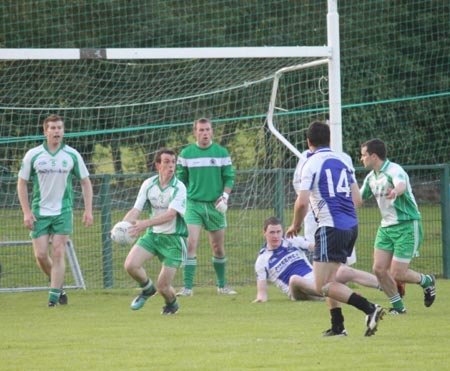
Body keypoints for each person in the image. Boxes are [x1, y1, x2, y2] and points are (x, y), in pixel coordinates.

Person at [286, 121, 384, 337]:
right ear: (329, 140)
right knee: (333, 278)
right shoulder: (343, 161)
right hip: (350, 226)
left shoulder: (310, 163)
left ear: (308, 142)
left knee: (323, 285)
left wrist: (295, 225)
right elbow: (357, 199)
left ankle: (369, 308)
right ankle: (338, 325)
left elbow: (301, 202)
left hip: (330, 227)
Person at [17, 114, 93, 307]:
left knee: (58, 251)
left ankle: (52, 298)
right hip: (39, 211)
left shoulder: (72, 155)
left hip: (63, 211)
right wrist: (26, 212)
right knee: (41, 255)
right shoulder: (33, 155)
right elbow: (22, 183)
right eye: (53, 128)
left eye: (60, 128)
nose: (57, 131)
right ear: (45, 131)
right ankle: (58, 286)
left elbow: (85, 182)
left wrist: (88, 210)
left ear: (63, 131)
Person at [360, 138, 436, 314]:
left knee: (397, 274)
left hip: (407, 225)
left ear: (373, 156)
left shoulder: (394, 170)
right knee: (378, 270)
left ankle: (426, 281)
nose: (361, 159)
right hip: (386, 228)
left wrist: (395, 191)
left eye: (363, 155)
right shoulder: (371, 177)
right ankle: (399, 308)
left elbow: (400, 184)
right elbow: (358, 198)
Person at [254, 217, 381, 303]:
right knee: (294, 279)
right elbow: (262, 295)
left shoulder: (291, 240)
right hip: (299, 290)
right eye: (272, 232)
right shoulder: (262, 260)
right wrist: (259, 300)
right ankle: (338, 293)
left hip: (317, 280)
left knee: (344, 271)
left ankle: (385, 285)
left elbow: (316, 247)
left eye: (278, 232)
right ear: (264, 233)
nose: (276, 236)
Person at [122, 148, 187, 315]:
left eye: (173, 162)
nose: (171, 166)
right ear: (158, 165)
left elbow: (171, 214)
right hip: (153, 235)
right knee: (130, 265)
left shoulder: (179, 188)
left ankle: (171, 304)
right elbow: (136, 210)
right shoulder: (149, 184)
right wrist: (121, 226)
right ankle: (147, 289)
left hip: (173, 240)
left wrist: (145, 223)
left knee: (163, 287)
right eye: (166, 162)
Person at [176, 118, 236, 296]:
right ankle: (187, 288)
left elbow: (229, 178)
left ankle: (222, 286)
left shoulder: (221, 153)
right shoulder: (186, 154)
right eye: (201, 130)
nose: (204, 133)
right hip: (193, 205)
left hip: (215, 206)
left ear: (212, 132)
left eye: (207, 129)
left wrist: (224, 197)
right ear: (195, 132)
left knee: (217, 247)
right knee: (190, 242)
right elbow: (181, 181)